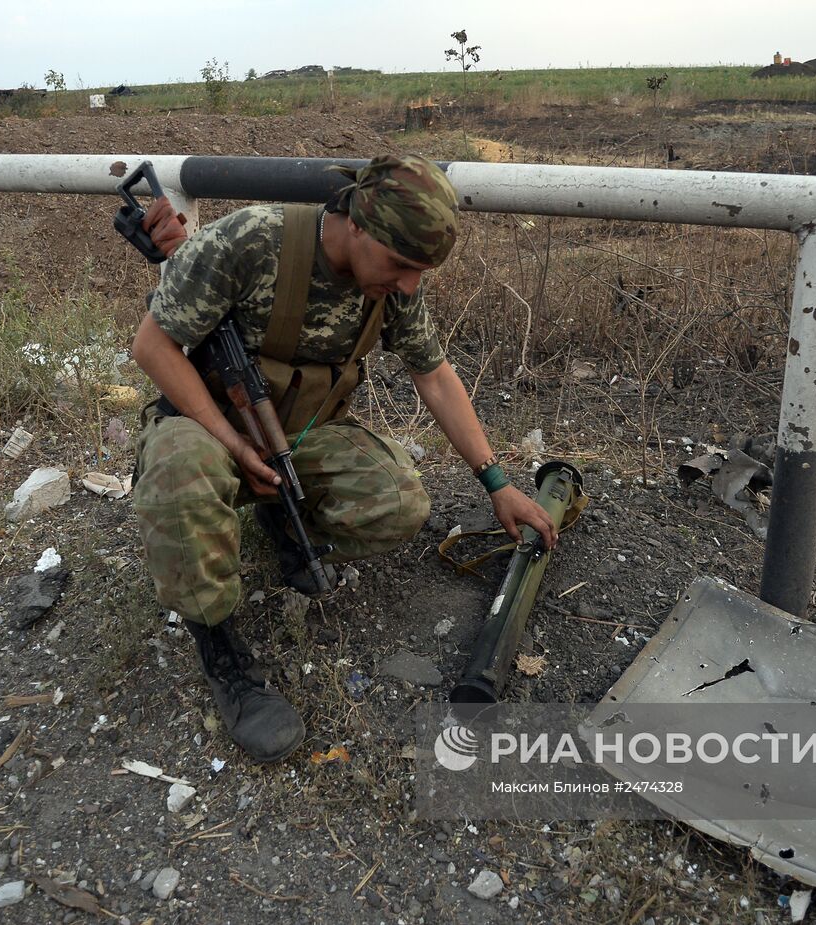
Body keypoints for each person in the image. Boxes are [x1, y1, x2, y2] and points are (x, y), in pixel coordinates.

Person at [130, 153, 556, 763]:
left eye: (421, 271)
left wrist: (497, 482)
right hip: (205, 429)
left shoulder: (391, 283)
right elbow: (153, 345)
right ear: (357, 224)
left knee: (399, 501)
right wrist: (232, 441)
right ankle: (220, 647)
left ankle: (279, 516)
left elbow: (433, 375)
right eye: (403, 266)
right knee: (181, 470)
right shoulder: (252, 240)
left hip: (300, 435)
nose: (409, 285)